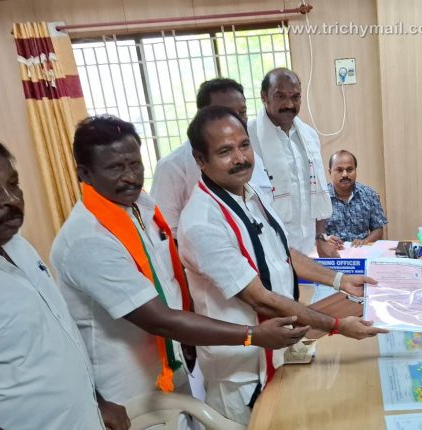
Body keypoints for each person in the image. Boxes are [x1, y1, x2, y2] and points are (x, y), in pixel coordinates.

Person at [51, 116, 308, 410]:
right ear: (85, 173)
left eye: (135, 164)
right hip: (127, 392)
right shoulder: (88, 238)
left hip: (172, 372)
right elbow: (159, 319)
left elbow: (170, 284)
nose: (130, 177)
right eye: (115, 168)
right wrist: (253, 336)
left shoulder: (141, 207)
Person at [177, 106, 387, 424]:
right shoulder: (202, 222)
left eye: (244, 145)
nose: (240, 158)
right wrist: (337, 325)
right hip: (241, 377)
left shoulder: (252, 193)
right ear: (200, 159)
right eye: (225, 151)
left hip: (277, 354)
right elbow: (259, 297)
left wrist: (340, 280)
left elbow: (283, 254)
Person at [0, 131, 128, 430]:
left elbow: (58, 334)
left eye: (12, 184)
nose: (11, 200)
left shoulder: (16, 245)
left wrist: (97, 401)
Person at [150, 78, 272, 235]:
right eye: (225, 114)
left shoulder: (249, 157)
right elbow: (165, 233)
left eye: (242, 113)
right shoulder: (171, 167)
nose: (236, 121)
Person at [247, 68, 339, 257]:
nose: (289, 104)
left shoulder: (309, 136)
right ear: (264, 96)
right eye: (280, 96)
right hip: (268, 247)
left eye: (295, 97)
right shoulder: (248, 137)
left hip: (306, 245)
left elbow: (318, 187)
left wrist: (320, 237)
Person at [325, 149, 388, 246]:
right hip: (331, 251)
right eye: (339, 170)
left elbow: (378, 229)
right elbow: (309, 232)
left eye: (349, 169)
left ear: (355, 170)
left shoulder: (369, 194)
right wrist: (324, 239)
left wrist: (365, 241)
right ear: (330, 172)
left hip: (361, 250)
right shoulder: (320, 198)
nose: (345, 174)